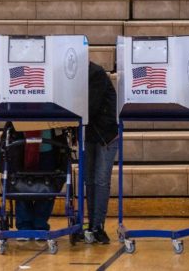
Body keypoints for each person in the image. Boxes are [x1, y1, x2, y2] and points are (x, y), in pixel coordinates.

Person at [84, 61, 118, 244]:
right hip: (90, 133)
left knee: (100, 180)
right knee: (89, 180)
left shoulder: (96, 73)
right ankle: (92, 225)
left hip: (107, 134)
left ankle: (98, 226)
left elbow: (90, 107)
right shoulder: (75, 75)